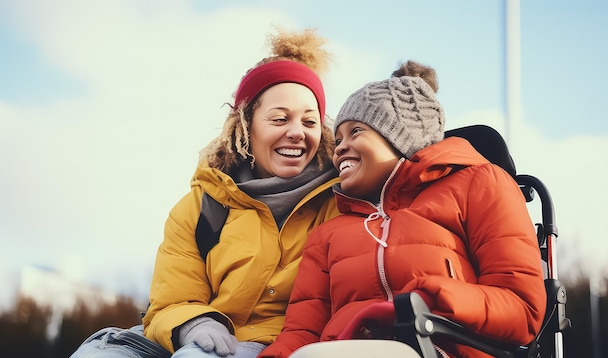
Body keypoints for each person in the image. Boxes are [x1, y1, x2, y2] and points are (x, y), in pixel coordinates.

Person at [69, 28, 340, 358]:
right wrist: (193, 324)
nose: (296, 132)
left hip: (276, 344)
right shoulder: (201, 207)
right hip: (189, 333)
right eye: (280, 118)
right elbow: (173, 298)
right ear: (245, 125)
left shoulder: (338, 202)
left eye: (310, 122)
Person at [258, 60, 547, 358]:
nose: (340, 148)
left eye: (356, 132)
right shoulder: (326, 234)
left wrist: (428, 299)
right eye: (339, 139)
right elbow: (301, 333)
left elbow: (522, 308)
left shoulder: (479, 184)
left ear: (400, 137)